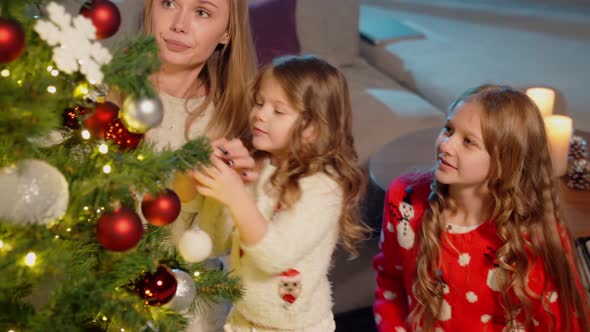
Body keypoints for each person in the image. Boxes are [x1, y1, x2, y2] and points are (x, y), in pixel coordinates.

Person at [373, 84, 589, 331]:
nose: (447, 146)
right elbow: (389, 280)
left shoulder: (535, 235)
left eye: (468, 142)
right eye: (448, 129)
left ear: (505, 161)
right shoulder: (405, 200)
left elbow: (564, 323)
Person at [191, 55, 369, 331]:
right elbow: (216, 243)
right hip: (242, 320)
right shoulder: (259, 167)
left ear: (312, 126)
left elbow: (276, 255)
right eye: (260, 103)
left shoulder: (323, 187)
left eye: (279, 110)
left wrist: (236, 196)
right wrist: (220, 190)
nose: (259, 114)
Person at [139, 0, 258, 330]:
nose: (179, 24)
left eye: (201, 12)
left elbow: (218, 242)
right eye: (169, 3)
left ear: (227, 32)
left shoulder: (232, 120)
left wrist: (231, 192)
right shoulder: (107, 93)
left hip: (186, 303)